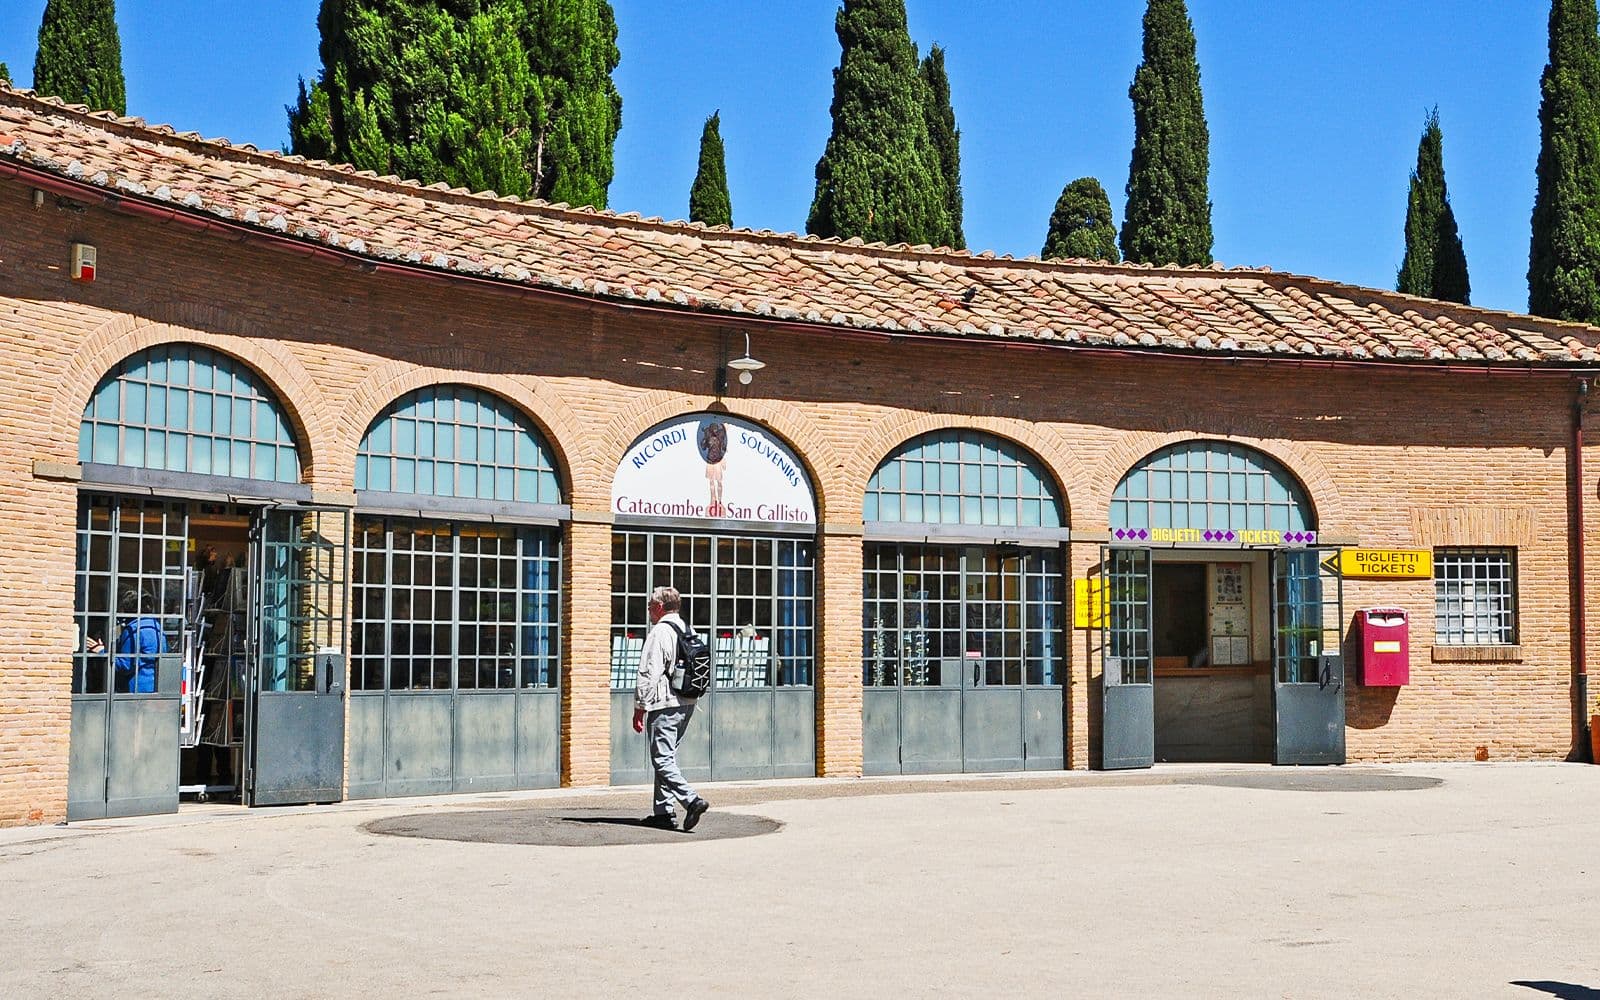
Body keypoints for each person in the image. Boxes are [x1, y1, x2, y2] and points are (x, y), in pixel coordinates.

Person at [632, 585, 710, 831]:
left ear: (659, 607)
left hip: (664, 704)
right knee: (666, 758)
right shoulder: (687, 628)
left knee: (662, 760)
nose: (648, 611)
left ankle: (691, 800)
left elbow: (648, 672)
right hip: (687, 702)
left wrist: (640, 706)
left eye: (649, 607)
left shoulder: (660, 632)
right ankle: (663, 813)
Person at [109, 588, 166, 693]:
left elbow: (126, 665)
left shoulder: (133, 630)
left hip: (135, 688)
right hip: (156, 685)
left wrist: (102, 653)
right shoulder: (156, 627)